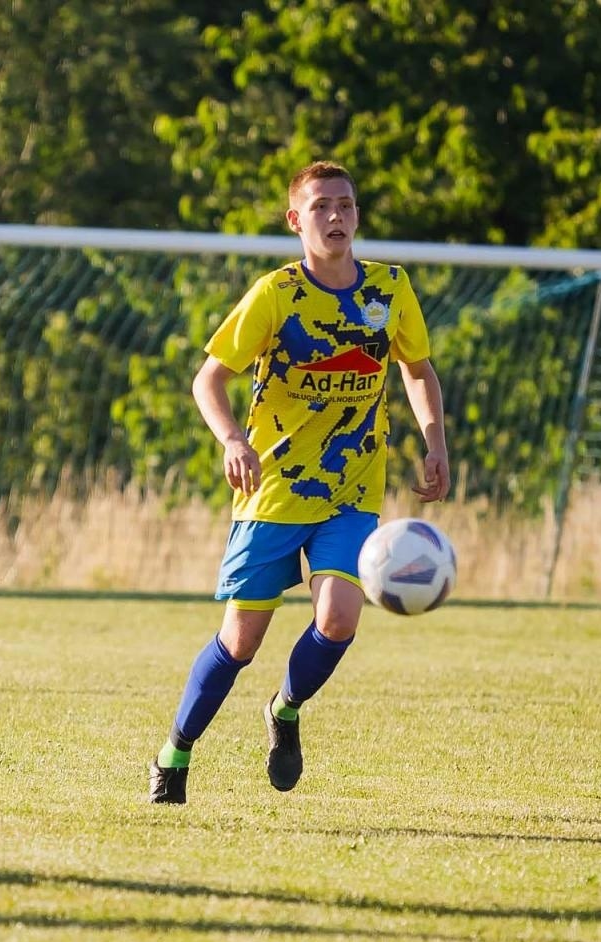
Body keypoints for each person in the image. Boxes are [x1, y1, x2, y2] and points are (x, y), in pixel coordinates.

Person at [147, 161, 450, 805]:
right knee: (240, 641)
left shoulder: (390, 289)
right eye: (321, 207)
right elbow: (209, 379)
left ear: (358, 215)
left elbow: (418, 369)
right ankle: (174, 754)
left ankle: (285, 710)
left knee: (339, 617)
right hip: (275, 489)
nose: (335, 216)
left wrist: (435, 443)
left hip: (353, 489)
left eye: (345, 205)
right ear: (296, 220)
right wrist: (233, 439)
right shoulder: (276, 294)